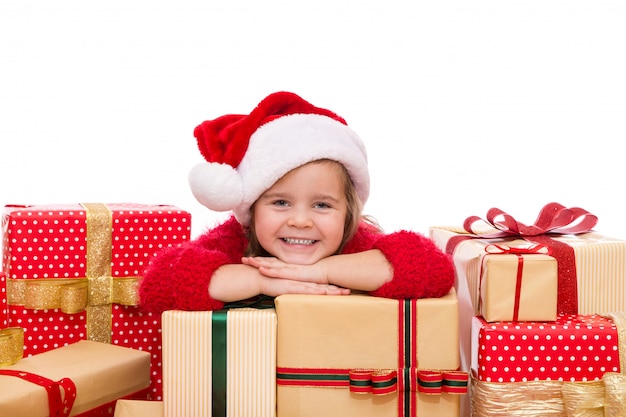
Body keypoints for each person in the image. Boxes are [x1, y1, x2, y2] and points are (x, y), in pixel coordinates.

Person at [139, 91, 454, 313]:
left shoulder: (355, 241)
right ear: (251, 208)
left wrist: (322, 272)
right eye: (280, 203)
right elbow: (159, 285)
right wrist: (264, 279)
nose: (301, 221)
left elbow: (434, 271)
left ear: (348, 213)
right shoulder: (235, 239)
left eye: (322, 205)